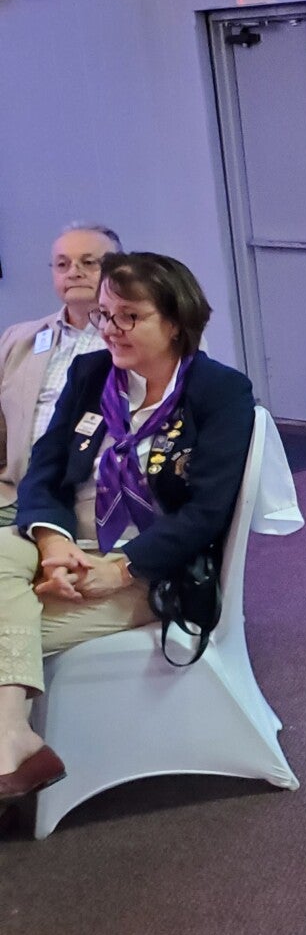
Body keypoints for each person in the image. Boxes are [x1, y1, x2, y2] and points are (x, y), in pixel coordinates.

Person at [0, 252, 257, 806]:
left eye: (129, 317)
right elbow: (44, 470)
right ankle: (13, 738)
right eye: (104, 314)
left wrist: (120, 569)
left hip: (150, 568)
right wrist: (53, 543)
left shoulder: (220, 392)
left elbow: (206, 514)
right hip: (69, 544)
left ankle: (13, 746)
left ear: (175, 321)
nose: (110, 330)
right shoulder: (91, 374)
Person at [0, 224, 123, 524]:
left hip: (93, 497)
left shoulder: (136, 337)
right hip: (14, 493)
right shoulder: (19, 338)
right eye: (62, 264)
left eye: (88, 262)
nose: (74, 272)